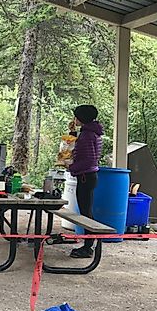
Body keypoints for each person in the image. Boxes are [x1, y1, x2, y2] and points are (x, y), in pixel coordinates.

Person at [67, 104, 103, 258]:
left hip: (85, 176)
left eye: (76, 116)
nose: (74, 119)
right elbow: (81, 149)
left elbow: (88, 159)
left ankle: (88, 247)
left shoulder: (87, 135)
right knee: (85, 211)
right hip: (88, 176)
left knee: (85, 214)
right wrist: (73, 133)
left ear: (81, 118)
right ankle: (88, 244)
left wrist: (71, 167)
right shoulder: (90, 132)